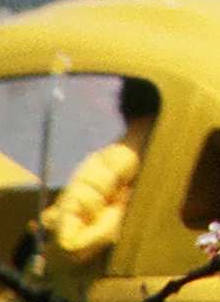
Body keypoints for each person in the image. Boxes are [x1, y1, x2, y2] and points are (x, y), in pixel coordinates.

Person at [36, 77, 158, 280]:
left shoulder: (120, 158)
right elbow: (71, 240)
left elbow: (70, 240)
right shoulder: (125, 159)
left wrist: (129, 215)